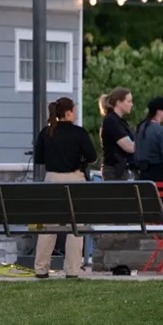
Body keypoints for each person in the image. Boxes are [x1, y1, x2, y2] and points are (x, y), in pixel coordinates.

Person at [33, 97, 96, 278]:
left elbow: (39, 159)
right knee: (75, 225)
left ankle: (41, 268)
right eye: (74, 111)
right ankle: (72, 270)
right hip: (75, 179)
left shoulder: (46, 132)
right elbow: (92, 157)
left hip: (52, 179)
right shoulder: (79, 133)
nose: (75, 114)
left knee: (49, 225)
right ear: (68, 112)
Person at [135, 96, 163, 183]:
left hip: (143, 174)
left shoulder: (140, 129)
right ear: (159, 111)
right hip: (159, 174)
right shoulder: (162, 131)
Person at [100, 87, 135, 180]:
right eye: (129, 101)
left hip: (122, 169)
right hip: (115, 171)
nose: (131, 104)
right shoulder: (111, 121)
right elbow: (128, 146)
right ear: (118, 102)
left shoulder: (120, 122)